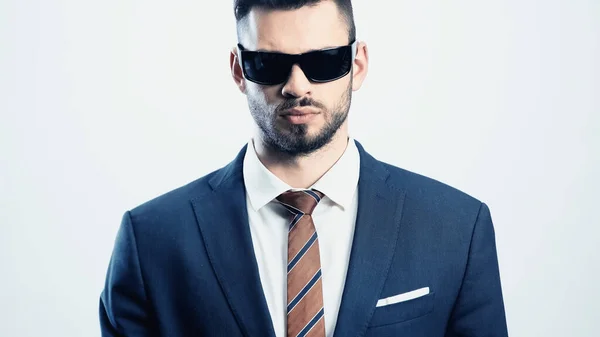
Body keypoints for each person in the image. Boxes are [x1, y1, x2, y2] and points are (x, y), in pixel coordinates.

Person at [99, 0, 509, 336]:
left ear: (358, 63)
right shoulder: (151, 240)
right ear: (239, 70)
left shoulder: (456, 229)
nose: (297, 85)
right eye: (269, 64)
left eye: (325, 61)